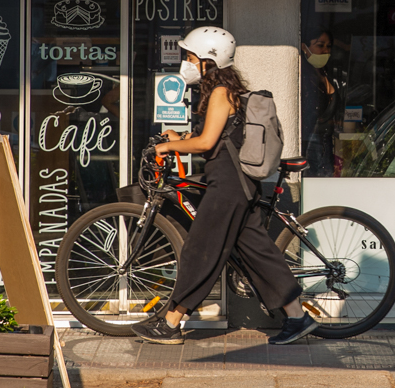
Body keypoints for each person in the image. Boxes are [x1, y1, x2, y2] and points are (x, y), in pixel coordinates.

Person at [132, 26, 317, 347]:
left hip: (229, 187)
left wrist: (168, 148)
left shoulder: (219, 93)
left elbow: (206, 143)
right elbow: (220, 140)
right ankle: (297, 317)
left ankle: (171, 322)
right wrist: (178, 138)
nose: (185, 63)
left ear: (209, 60)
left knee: (200, 251)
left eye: (190, 57)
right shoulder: (224, 91)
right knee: (259, 254)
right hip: (238, 186)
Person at [300, 28, 340, 177]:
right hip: (310, 139)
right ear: (305, 47)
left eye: (328, 46)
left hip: (325, 139)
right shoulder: (302, 75)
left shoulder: (327, 73)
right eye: (320, 45)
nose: (325, 50)